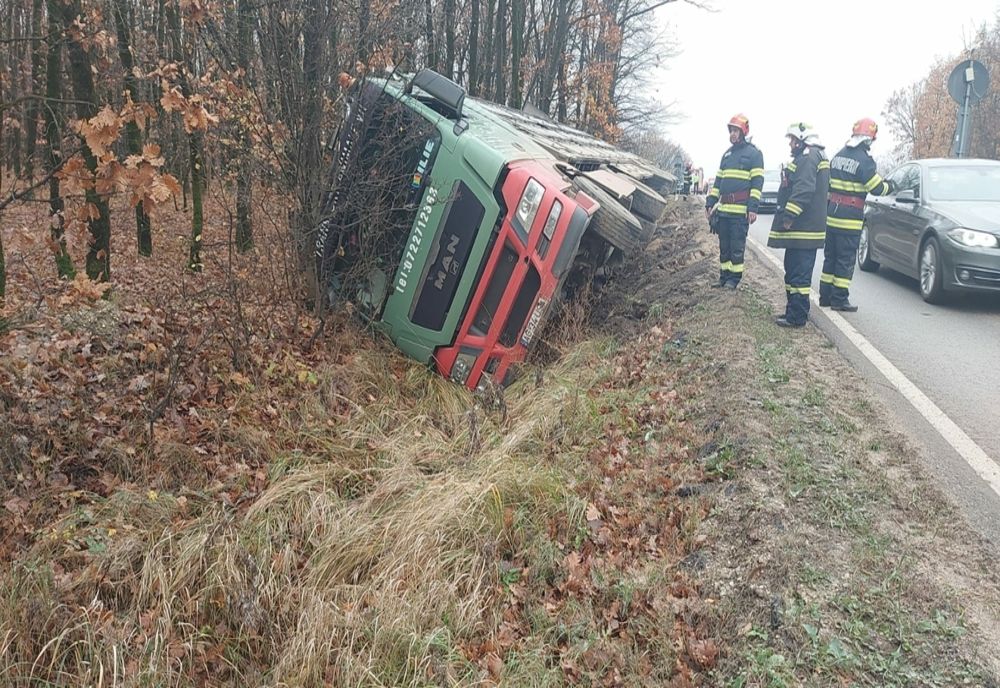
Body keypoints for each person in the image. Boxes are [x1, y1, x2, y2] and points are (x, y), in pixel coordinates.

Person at [821, 118, 894, 311]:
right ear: (869, 140)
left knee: (830, 257)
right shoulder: (865, 161)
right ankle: (839, 299)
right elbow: (877, 188)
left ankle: (825, 296)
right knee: (845, 260)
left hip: (832, 216)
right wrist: (892, 186)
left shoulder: (837, 156)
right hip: (849, 219)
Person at [768, 122, 830, 328]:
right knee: (793, 271)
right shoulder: (811, 156)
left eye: (793, 140)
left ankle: (797, 317)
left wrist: (789, 215)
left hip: (804, 230)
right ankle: (792, 312)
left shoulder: (808, 157)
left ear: (803, 139)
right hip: (803, 232)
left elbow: (803, 189)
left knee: (799, 275)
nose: (791, 144)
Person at [705, 113, 764, 289]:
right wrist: (710, 202)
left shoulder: (754, 154)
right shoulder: (727, 155)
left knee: (736, 247)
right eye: (731, 130)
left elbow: (757, 184)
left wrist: (752, 208)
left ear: (744, 132)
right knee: (724, 247)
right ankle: (723, 277)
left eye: (736, 131)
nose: (732, 134)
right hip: (723, 211)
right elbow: (718, 182)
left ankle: (734, 279)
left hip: (740, 212)